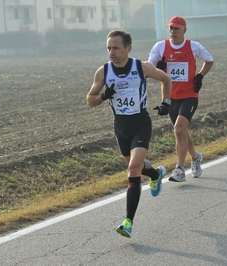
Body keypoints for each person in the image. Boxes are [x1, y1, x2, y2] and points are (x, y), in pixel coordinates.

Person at [86, 30, 172, 238]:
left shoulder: (141, 67)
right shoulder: (103, 72)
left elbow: (166, 80)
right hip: (121, 128)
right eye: (108, 48)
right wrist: (104, 95)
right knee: (137, 167)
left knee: (133, 168)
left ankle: (128, 222)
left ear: (128, 49)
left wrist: (166, 102)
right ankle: (155, 174)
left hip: (141, 124)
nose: (111, 52)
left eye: (116, 48)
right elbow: (90, 99)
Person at [148, 16, 214, 182]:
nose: (173, 31)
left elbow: (209, 61)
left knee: (178, 129)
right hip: (171, 97)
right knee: (182, 132)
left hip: (190, 95)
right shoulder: (161, 46)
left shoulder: (194, 46)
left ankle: (179, 169)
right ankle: (196, 157)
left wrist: (200, 76)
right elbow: (148, 68)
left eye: (177, 28)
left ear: (185, 30)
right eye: (171, 28)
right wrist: (158, 68)